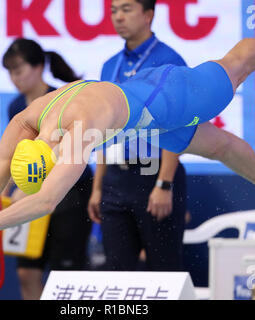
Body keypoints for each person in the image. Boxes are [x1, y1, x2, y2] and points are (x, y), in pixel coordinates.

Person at [0, 20, 255, 268]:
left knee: (236, 65)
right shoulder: (27, 120)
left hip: (165, 99)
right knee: (221, 147)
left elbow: (45, 201)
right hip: (140, 117)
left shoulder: (80, 130)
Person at [88, 0, 189, 271]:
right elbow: (104, 130)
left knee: (163, 270)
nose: (118, 17)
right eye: (113, 11)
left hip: (155, 174)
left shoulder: (169, 61)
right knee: (117, 272)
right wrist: (98, 187)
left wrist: (164, 183)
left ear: (148, 15)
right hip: (115, 177)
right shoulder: (110, 66)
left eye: (126, 9)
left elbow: (178, 126)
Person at [0, 39, 92, 300]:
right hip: (31, 194)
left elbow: (70, 154)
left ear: (39, 66)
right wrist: (2, 192)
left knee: (66, 276)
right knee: (26, 273)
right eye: (10, 72)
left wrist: (32, 190)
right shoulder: (15, 107)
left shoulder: (64, 100)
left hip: (71, 193)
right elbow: (12, 154)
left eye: (18, 70)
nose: (14, 78)